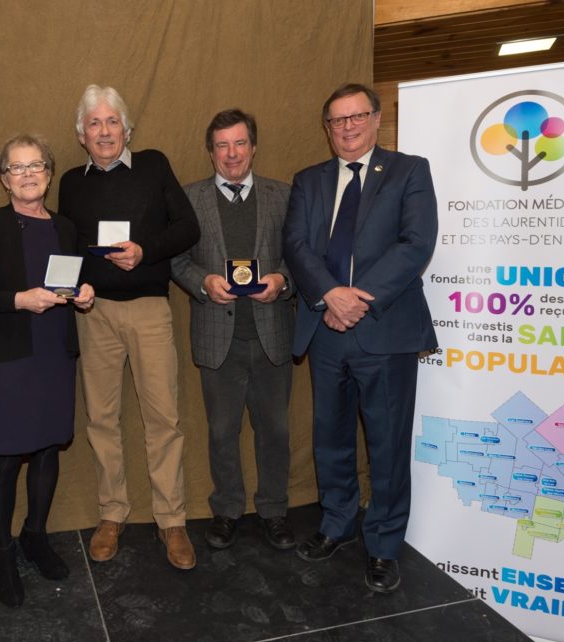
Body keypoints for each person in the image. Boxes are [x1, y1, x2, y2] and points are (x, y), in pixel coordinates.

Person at [283, 83, 438, 593]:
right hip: (325, 329)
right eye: (336, 121)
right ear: (327, 129)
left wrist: (357, 298)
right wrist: (330, 295)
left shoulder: (409, 171)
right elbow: (297, 246)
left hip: (385, 329)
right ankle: (336, 524)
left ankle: (385, 544)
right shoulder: (308, 180)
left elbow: (416, 244)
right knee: (330, 438)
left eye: (356, 117)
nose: (347, 128)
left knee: (387, 444)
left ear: (376, 120)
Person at [58, 84, 200, 570]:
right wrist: (71, 288)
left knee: (164, 419)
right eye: (93, 123)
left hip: (148, 309)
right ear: (81, 135)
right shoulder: (72, 183)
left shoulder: (155, 165)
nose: (103, 131)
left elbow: (188, 227)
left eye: (111, 121)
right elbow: (68, 248)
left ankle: (172, 519)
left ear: (126, 128)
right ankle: (113, 512)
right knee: (101, 419)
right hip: (92, 314)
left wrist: (145, 250)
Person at [0, 135, 94, 607]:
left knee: (47, 449)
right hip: (8, 356)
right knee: (4, 457)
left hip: (54, 352)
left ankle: (35, 535)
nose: (28, 173)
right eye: (17, 168)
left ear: (50, 173)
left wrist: (85, 293)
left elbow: (71, 280)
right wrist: (18, 300)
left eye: (37, 165)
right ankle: (1, 551)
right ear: (3, 179)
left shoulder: (66, 227)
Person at [171, 109, 295, 551]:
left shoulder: (283, 195)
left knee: (275, 430)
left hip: (271, 333)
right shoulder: (188, 199)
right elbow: (177, 260)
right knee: (222, 430)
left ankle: (275, 510)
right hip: (217, 335)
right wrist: (202, 282)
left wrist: (282, 281)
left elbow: (301, 256)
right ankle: (226, 510)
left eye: (239, 143)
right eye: (222, 145)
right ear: (210, 152)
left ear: (253, 147)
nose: (231, 154)